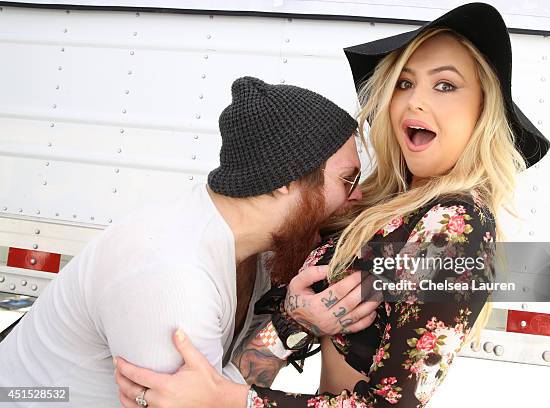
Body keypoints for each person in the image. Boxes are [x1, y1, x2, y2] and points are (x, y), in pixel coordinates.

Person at [114, 3, 550, 407]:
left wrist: (229, 401)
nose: (415, 99)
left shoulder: (456, 222)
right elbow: (286, 335)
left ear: (482, 112)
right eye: (404, 82)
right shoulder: (382, 204)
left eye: (445, 85)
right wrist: (264, 345)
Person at [0, 76, 382, 407]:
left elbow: (216, 390)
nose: (357, 195)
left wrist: (290, 322)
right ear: (286, 180)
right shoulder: (172, 278)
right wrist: (289, 327)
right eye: (348, 180)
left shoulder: (251, 248)